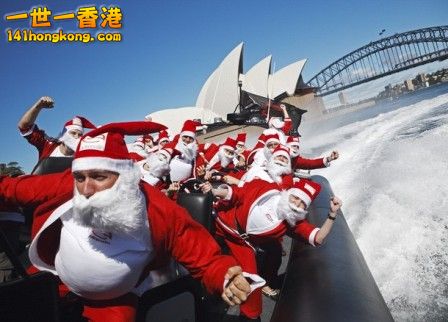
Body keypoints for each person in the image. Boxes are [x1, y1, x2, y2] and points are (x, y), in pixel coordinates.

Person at [0, 121, 258, 321]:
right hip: (54, 281)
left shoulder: (157, 209)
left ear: (123, 176)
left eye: (99, 177)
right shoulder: (68, 184)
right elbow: (13, 189)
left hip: (114, 301)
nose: (86, 188)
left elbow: (204, 257)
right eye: (80, 178)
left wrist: (224, 276)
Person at [202, 178, 342, 321]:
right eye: (295, 198)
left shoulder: (292, 222)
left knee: (252, 281)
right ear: (289, 193)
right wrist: (215, 191)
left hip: (241, 243)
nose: (296, 204)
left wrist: (332, 214)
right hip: (222, 221)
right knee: (197, 243)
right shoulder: (266, 190)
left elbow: (318, 238)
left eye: (302, 203)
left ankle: (250, 317)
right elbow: (237, 193)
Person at [18, 96, 96, 161]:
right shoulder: (48, 145)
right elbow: (24, 127)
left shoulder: (82, 157)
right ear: (63, 135)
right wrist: (38, 107)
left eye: (80, 135)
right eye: (73, 133)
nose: (76, 137)